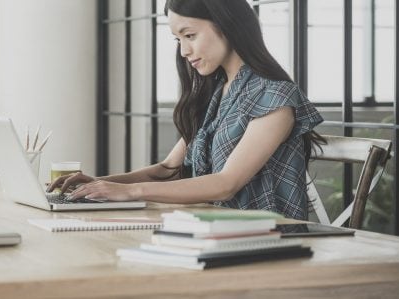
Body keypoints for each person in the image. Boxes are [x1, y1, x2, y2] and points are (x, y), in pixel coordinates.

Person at [47, 0, 325, 220]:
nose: (183, 51)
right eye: (178, 39)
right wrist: (96, 185)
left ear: (227, 25)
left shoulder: (275, 95)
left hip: (268, 239)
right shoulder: (215, 92)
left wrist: (129, 191)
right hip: (210, 229)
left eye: (189, 35)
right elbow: (168, 169)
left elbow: (226, 183)